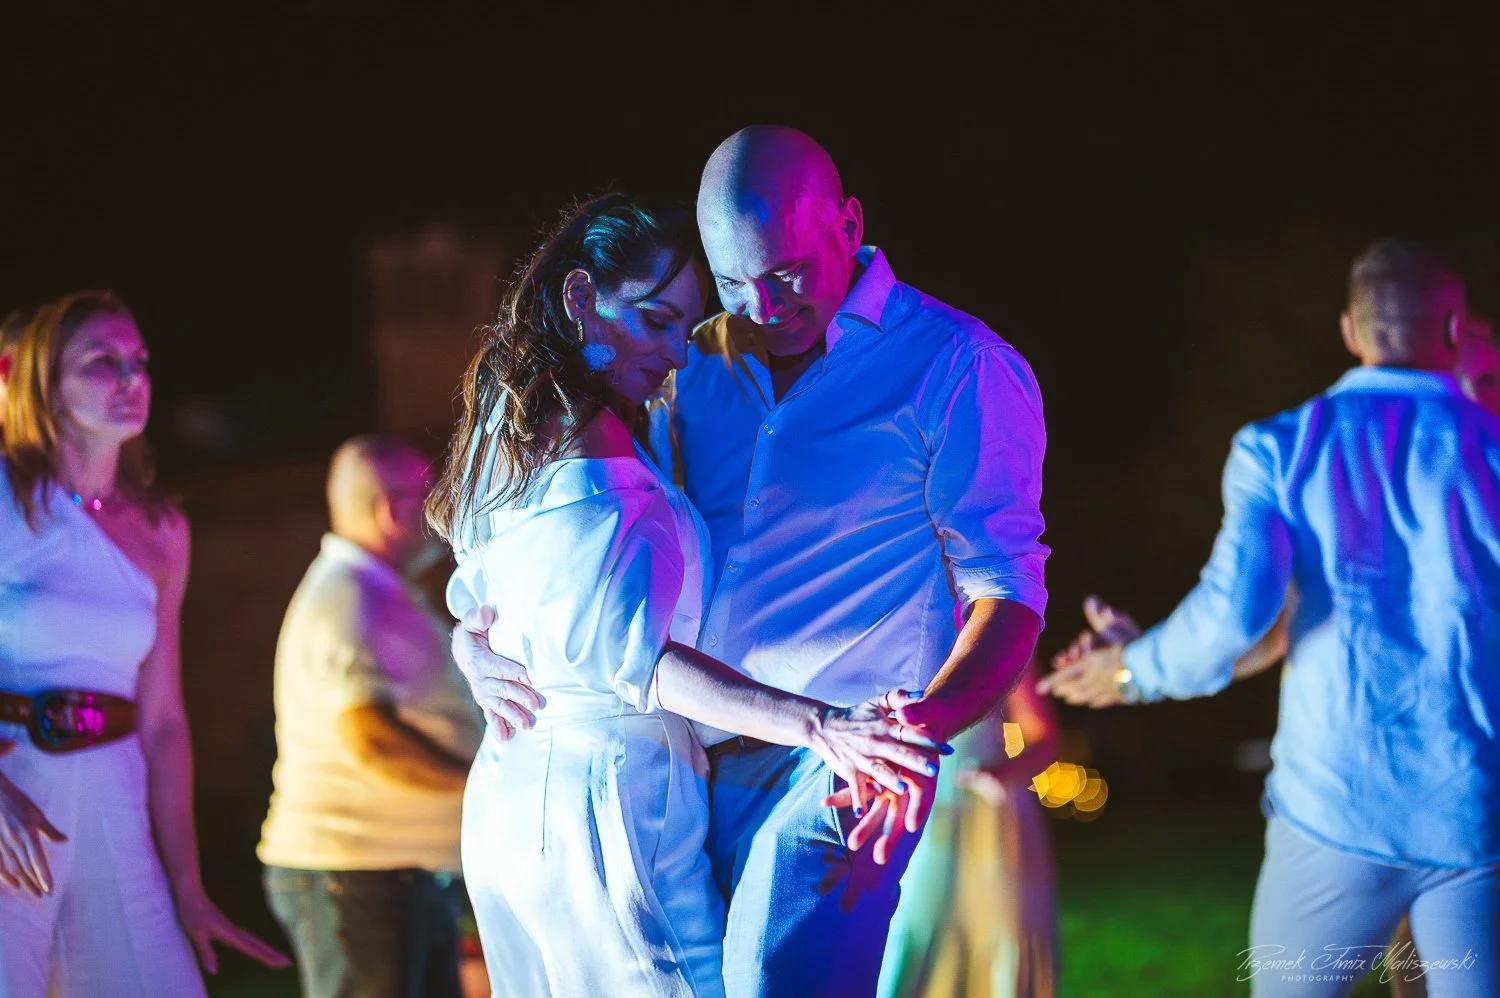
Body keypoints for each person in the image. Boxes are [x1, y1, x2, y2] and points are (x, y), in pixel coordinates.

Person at [452, 127, 1049, 998]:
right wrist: (473, 640)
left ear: (848, 224)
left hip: (847, 749)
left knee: (773, 978)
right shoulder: (695, 364)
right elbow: (566, 551)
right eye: (734, 283)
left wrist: (912, 737)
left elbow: (1010, 596)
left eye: (786, 275)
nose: (762, 308)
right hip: (693, 759)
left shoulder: (957, 366)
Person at [1039, 239, 1500, 998]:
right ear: (1454, 332)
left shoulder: (1281, 448)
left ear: (1349, 330)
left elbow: (1235, 614)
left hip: (1331, 815)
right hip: (1473, 823)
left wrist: (1133, 668)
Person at [0, 291, 288, 996]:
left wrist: (188, 886)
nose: (131, 378)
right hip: (13, 797)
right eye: (102, 362)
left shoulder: (162, 530)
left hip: (114, 798)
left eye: (139, 360)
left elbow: (164, 721)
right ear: (43, 382)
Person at [258, 435, 483, 998]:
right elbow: (373, 740)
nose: (443, 505)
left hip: (389, 878)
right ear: (389, 507)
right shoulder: (351, 598)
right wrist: (485, 787)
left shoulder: (376, 592)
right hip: (357, 877)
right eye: (430, 492)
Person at [878, 661, 1060, 998]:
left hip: (988, 812)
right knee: (917, 924)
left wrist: (1003, 774)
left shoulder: (999, 632)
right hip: (917, 812)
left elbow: (1044, 738)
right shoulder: (896, 636)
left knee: (999, 924)